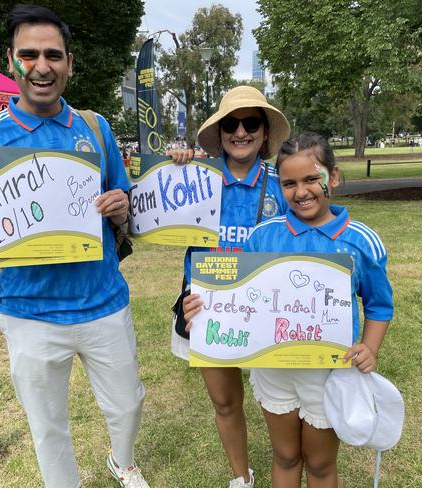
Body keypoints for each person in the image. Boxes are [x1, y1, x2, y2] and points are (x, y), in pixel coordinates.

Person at [0, 5, 148, 488]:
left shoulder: (95, 129)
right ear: (10, 61)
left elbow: (129, 208)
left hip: (104, 302)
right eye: (29, 54)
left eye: (53, 55)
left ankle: (122, 461)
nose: (42, 66)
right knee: (47, 427)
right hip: (30, 313)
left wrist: (120, 206)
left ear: (69, 63)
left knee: (127, 404)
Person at [185, 132, 393, 487]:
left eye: (312, 179)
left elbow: (379, 303)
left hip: (331, 371)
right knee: (284, 456)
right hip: (274, 368)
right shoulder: (263, 236)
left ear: (334, 176)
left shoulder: (360, 240)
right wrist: (204, 311)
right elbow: (239, 296)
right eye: (289, 183)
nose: (301, 191)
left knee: (320, 464)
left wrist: (370, 347)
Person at [169, 86, 291, 488]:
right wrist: (172, 169)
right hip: (205, 307)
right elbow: (148, 211)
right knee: (225, 402)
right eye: (231, 124)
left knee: (281, 403)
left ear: (264, 131)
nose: (240, 132)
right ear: (219, 131)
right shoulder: (195, 177)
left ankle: (287, 469)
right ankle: (241, 477)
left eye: (251, 122)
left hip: (269, 310)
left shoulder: (282, 183)